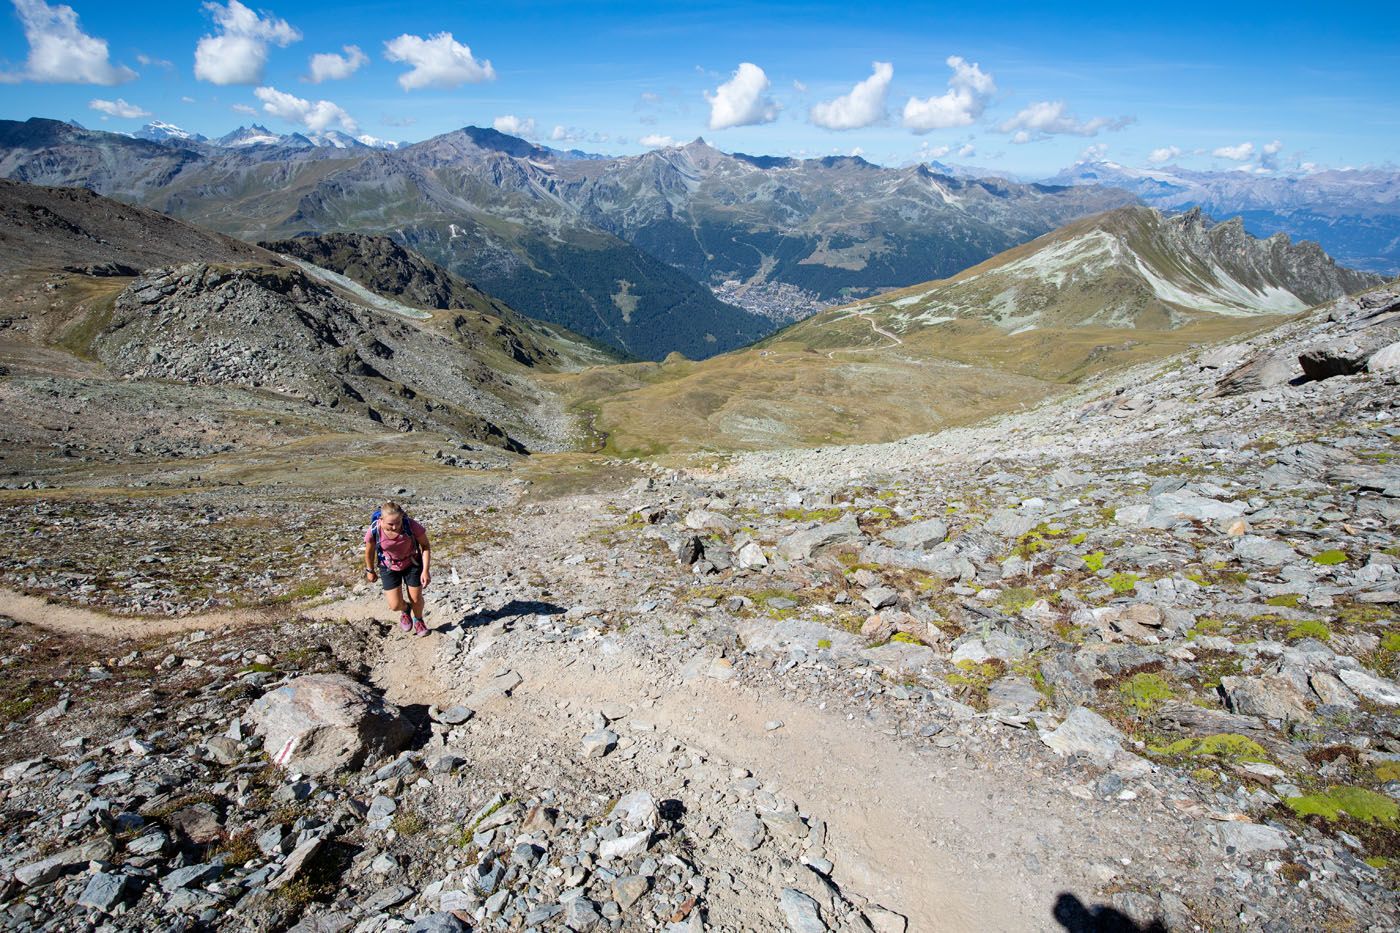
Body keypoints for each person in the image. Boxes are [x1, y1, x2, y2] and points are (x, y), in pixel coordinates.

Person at [363, 501, 432, 636]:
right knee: (394, 605)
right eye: (390, 524)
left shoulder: (411, 525)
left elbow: (425, 546)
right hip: (388, 566)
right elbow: (369, 552)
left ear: (402, 518)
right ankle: (405, 609)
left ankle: (418, 620)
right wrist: (370, 570)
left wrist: (425, 570)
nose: (395, 527)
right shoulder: (374, 529)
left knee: (416, 599)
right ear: (381, 519)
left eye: (398, 522)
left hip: (412, 563)